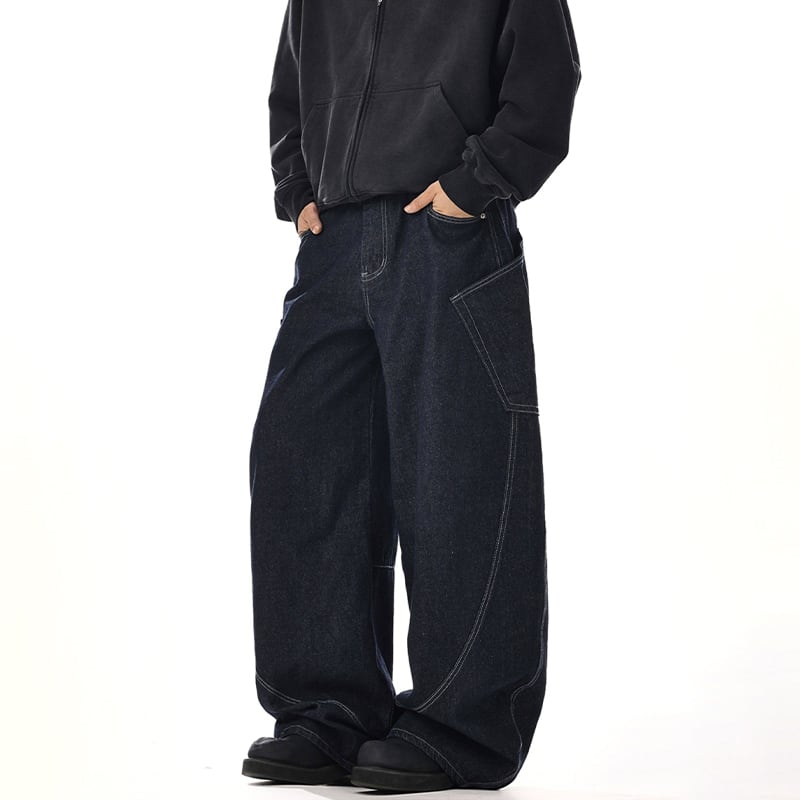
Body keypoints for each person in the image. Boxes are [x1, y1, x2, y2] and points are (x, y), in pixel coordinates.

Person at [242, 0, 581, 791]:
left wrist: (478, 183)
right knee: (305, 470)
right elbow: (290, 85)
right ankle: (328, 709)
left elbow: (547, 75)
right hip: (332, 242)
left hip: (447, 233)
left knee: (457, 475)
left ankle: (463, 726)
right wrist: (297, 187)